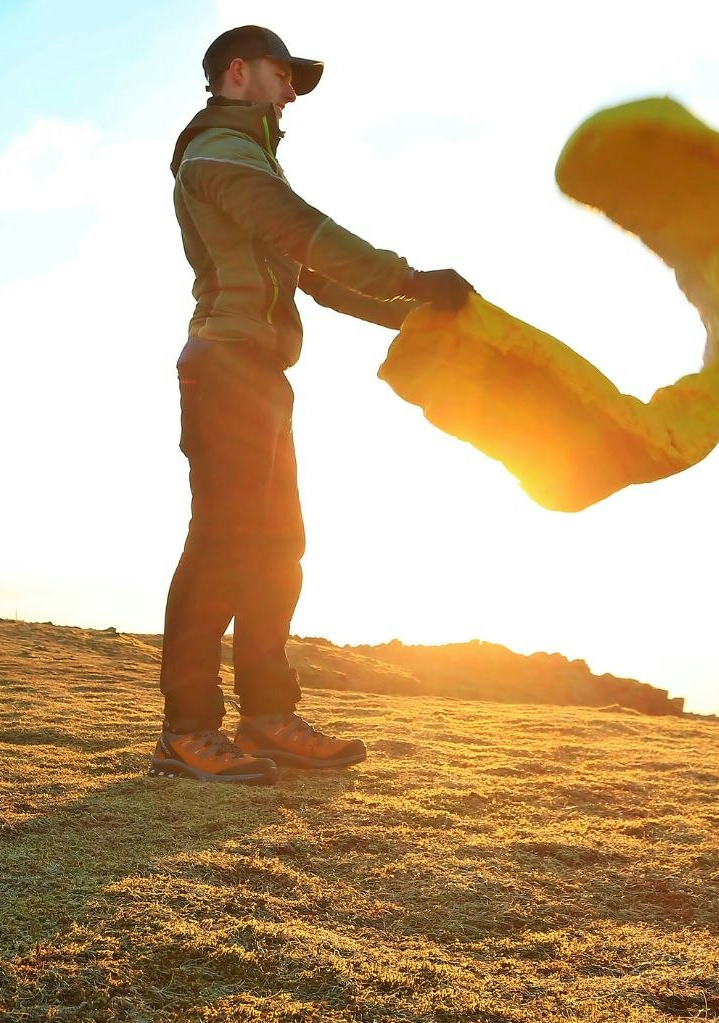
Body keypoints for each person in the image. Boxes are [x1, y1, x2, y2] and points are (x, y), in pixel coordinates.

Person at [150, 25, 474, 786]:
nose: (294, 91)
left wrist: (416, 314)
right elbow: (308, 235)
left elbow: (314, 277)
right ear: (238, 72)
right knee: (223, 544)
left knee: (276, 547)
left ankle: (267, 716)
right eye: (283, 74)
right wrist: (411, 278)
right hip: (224, 365)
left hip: (261, 373)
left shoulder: (252, 154)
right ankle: (186, 731)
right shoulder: (219, 154)